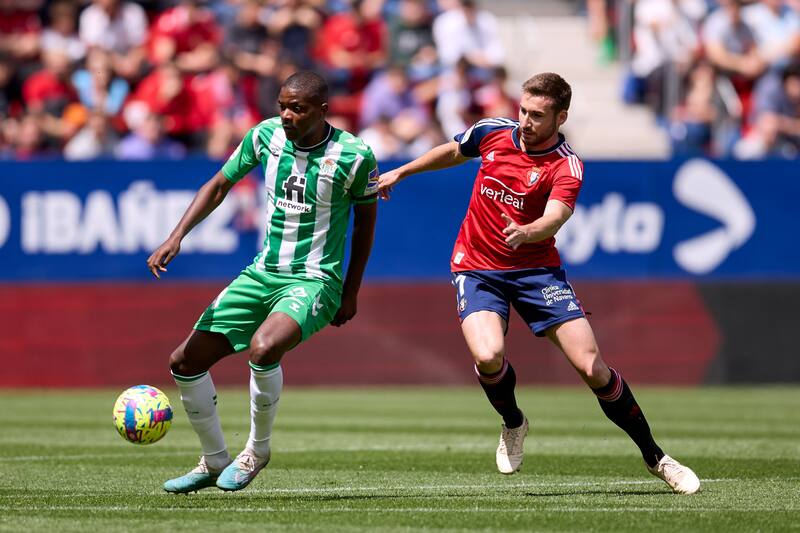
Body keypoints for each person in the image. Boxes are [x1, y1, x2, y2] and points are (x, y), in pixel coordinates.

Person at [378, 72, 701, 495]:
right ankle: (514, 422)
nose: (526, 122)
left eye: (537, 115)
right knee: (488, 355)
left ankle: (656, 458)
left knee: (592, 368)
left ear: (560, 117)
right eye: (523, 111)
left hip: (536, 272)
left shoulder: (566, 164)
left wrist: (529, 231)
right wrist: (402, 172)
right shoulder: (493, 132)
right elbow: (455, 151)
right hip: (476, 266)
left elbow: (556, 216)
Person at [147, 71, 379, 493]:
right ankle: (214, 459)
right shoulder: (264, 136)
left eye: (298, 108)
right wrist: (176, 236)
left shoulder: (354, 155)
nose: (287, 115)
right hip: (262, 272)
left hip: (314, 279)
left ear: (322, 110)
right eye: (282, 106)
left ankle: (256, 450)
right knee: (184, 362)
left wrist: (351, 290)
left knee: (264, 347)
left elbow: (365, 225)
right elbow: (220, 184)